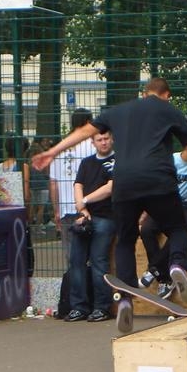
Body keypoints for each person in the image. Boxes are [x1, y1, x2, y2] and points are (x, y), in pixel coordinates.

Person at [32, 77, 187, 332]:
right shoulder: (168, 109)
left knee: (125, 239)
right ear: (166, 95)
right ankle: (177, 265)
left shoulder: (119, 111)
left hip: (124, 184)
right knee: (178, 227)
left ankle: (125, 298)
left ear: (145, 93)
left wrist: (52, 151)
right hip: (158, 180)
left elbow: (85, 131)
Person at [138, 145, 187, 299]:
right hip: (162, 203)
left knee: (182, 227)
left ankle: (153, 270)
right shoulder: (171, 160)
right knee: (146, 230)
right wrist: (146, 212)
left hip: (182, 205)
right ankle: (163, 277)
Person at [63, 129, 116, 323]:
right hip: (85, 216)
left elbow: (110, 188)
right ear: (93, 142)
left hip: (107, 216)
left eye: (106, 139)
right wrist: (82, 209)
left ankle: (102, 307)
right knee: (76, 260)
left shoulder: (117, 162)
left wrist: (84, 201)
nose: (103, 142)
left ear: (112, 139)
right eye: (99, 139)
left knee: (98, 261)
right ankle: (79, 307)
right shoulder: (86, 162)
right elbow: (78, 184)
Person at [49, 109, 96, 262]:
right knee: (92, 252)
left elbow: (53, 183)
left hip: (65, 209)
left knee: (71, 255)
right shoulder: (92, 145)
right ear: (88, 122)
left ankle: (74, 276)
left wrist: (56, 210)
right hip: (88, 206)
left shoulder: (61, 146)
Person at [25, 139, 50, 231]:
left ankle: (29, 227)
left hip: (33, 186)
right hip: (43, 185)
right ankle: (38, 228)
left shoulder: (29, 163)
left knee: (33, 207)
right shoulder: (43, 161)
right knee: (41, 208)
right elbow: (47, 174)